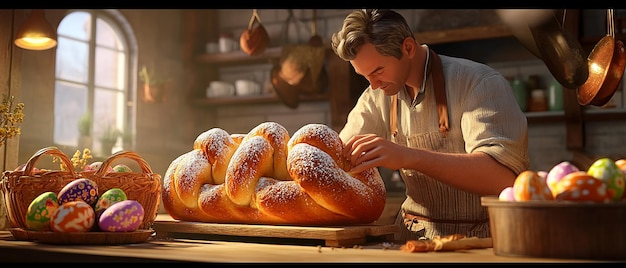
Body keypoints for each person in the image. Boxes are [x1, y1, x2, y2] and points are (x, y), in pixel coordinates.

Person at [330, 9, 529, 242]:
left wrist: (408, 156)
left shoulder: (479, 83)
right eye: (364, 76)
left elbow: (503, 179)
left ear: (408, 48)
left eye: (378, 71)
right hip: (411, 238)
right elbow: (338, 158)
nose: (373, 85)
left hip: (481, 239)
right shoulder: (377, 95)